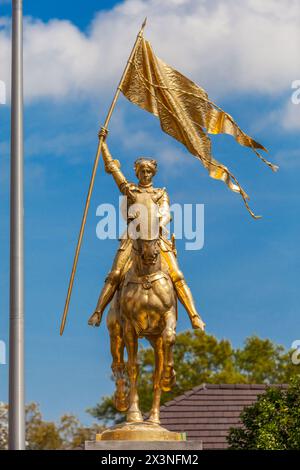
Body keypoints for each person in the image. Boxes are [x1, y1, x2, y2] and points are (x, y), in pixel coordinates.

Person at [88, 132, 205, 330]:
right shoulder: (131, 190)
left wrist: (159, 224)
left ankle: (194, 315)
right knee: (116, 274)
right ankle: (98, 311)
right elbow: (113, 170)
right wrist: (103, 145)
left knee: (177, 275)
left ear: (153, 173)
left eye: (148, 171)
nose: (145, 174)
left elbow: (167, 213)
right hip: (133, 238)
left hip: (157, 239)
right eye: (142, 171)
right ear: (137, 173)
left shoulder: (160, 193)